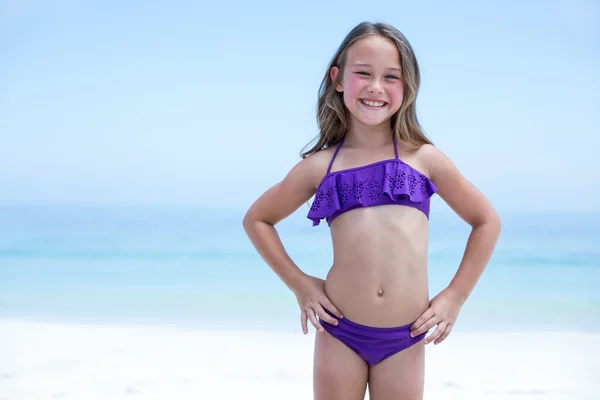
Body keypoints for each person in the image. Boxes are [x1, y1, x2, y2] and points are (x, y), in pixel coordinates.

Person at [242, 21, 501, 400]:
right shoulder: (321, 166)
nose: (376, 87)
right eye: (363, 73)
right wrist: (300, 284)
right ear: (339, 79)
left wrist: (455, 296)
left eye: (390, 77)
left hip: (405, 336)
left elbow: (486, 221)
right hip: (340, 331)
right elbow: (258, 219)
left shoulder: (424, 159)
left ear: (407, 86)